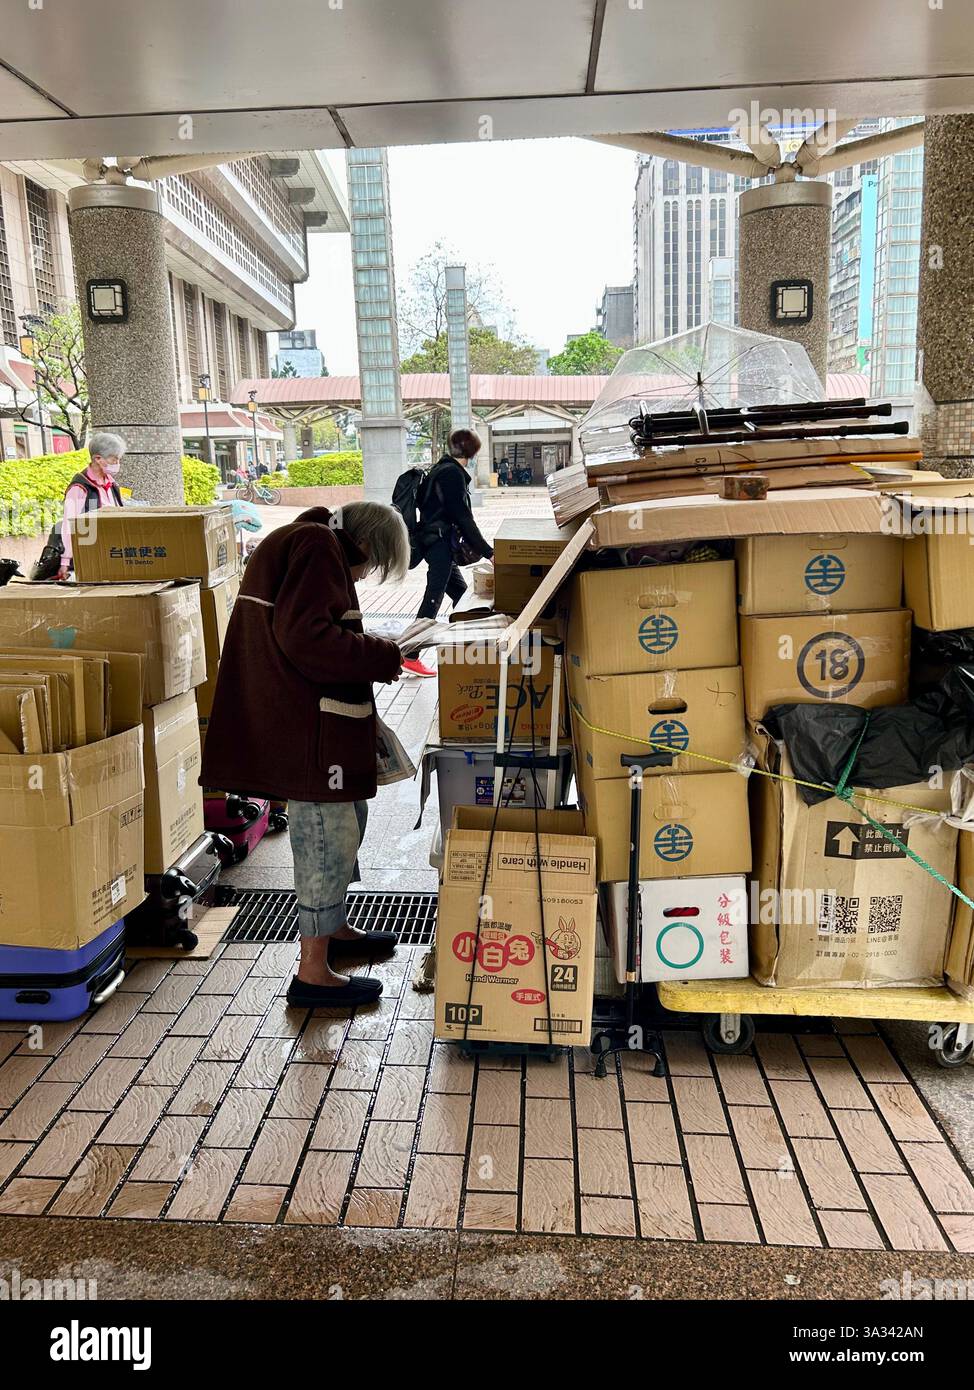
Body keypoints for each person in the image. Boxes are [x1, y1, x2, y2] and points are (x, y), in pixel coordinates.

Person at [200, 500, 409, 1011]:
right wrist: (383, 653)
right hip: (307, 726)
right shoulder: (317, 546)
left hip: (305, 719)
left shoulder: (306, 541)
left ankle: (333, 928)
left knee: (344, 821)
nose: (365, 575)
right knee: (324, 833)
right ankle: (313, 973)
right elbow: (307, 638)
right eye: (373, 565)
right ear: (367, 545)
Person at [41, 432, 125, 581]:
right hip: (86, 556)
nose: (117, 464)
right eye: (114, 459)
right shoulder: (79, 487)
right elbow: (69, 524)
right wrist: (65, 562)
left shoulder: (111, 485)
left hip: (110, 553)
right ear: (98, 459)